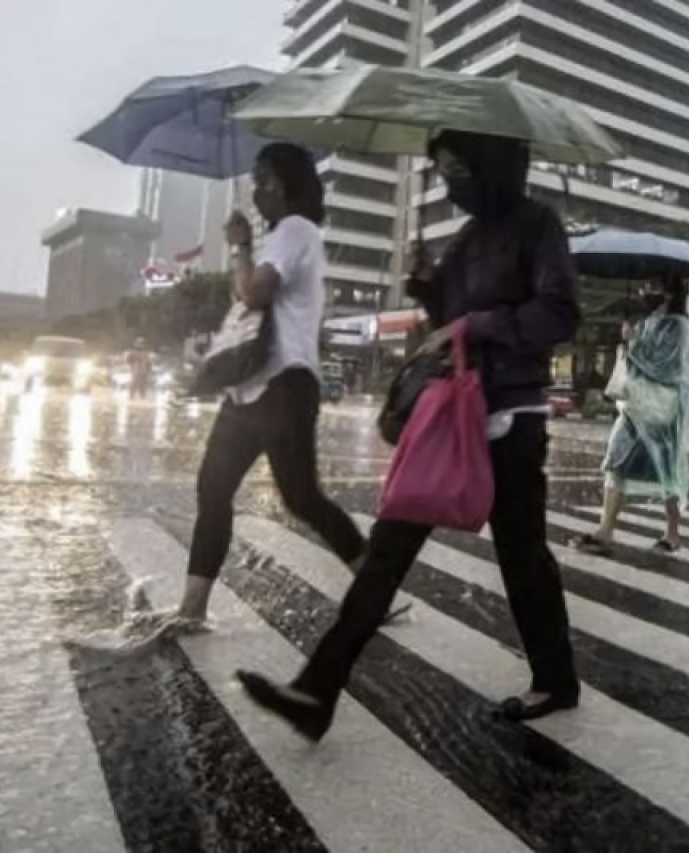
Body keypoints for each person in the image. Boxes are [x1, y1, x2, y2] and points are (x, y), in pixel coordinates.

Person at [237, 129, 582, 739]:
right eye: (442, 171)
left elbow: (559, 313)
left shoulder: (539, 225)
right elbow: (446, 324)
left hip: (511, 418)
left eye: (458, 170)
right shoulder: (467, 237)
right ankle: (316, 692)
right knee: (387, 549)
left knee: (522, 556)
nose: (450, 184)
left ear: (490, 165)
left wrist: (477, 324)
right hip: (451, 413)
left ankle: (556, 680)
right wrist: (427, 285)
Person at [172, 143, 366, 625]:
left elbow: (254, 295)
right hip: (248, 387)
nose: (256, 192)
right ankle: (191, 610)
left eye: (262, 181)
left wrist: (240, 246)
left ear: (283, 184)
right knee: (213, 490)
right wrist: (245, 251)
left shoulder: (295, 229)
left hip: (283, 385)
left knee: (302, 498)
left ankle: (375, 588)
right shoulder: (284, 236)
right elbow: (248, 296)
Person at [572, 276, 689, 554]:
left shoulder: (679, 326)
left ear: (669, 292)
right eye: (644, 286)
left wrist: (635, 346)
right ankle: (605, 530)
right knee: (615, 460)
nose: (644, 291)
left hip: (661, 409)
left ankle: (672, 533)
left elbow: (666, 368)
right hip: (634, 405)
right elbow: (634, 365)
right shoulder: (644, 323)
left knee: (666, 468)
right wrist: (629, 343)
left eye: (652, 286)